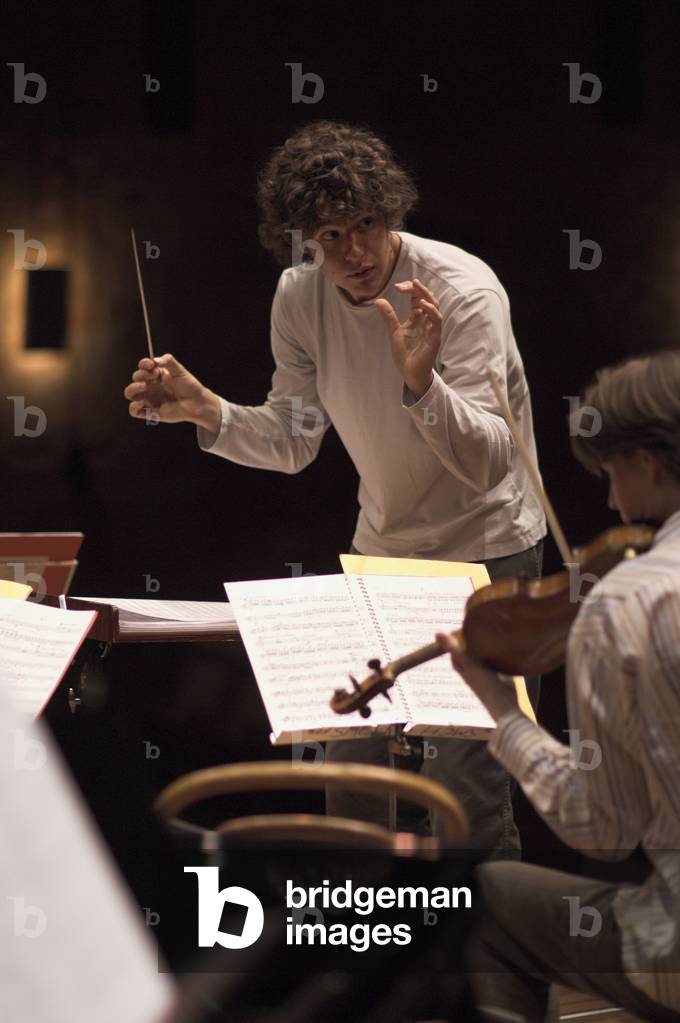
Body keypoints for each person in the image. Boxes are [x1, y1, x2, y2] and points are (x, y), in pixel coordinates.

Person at [124, 121, 546, 853]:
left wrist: (423, 382)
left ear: (391, 214)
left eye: (367, 225)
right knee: (350, 773)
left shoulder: (463, 291)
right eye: (330, 235)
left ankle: (480, 933)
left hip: (489, 552)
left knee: (466, 797)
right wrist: (207, 410)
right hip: (381, 554)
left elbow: (489, 465)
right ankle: (362, 928)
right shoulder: (298, 297)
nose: (355, 252)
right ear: (301, 241)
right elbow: (294, 441)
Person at [439, 348, 680, 1020]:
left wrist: (502, 712)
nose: (609, 498)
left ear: (647, 463)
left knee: (479, 896)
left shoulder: (627, 603)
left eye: (610, 472)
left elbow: (602, 828)